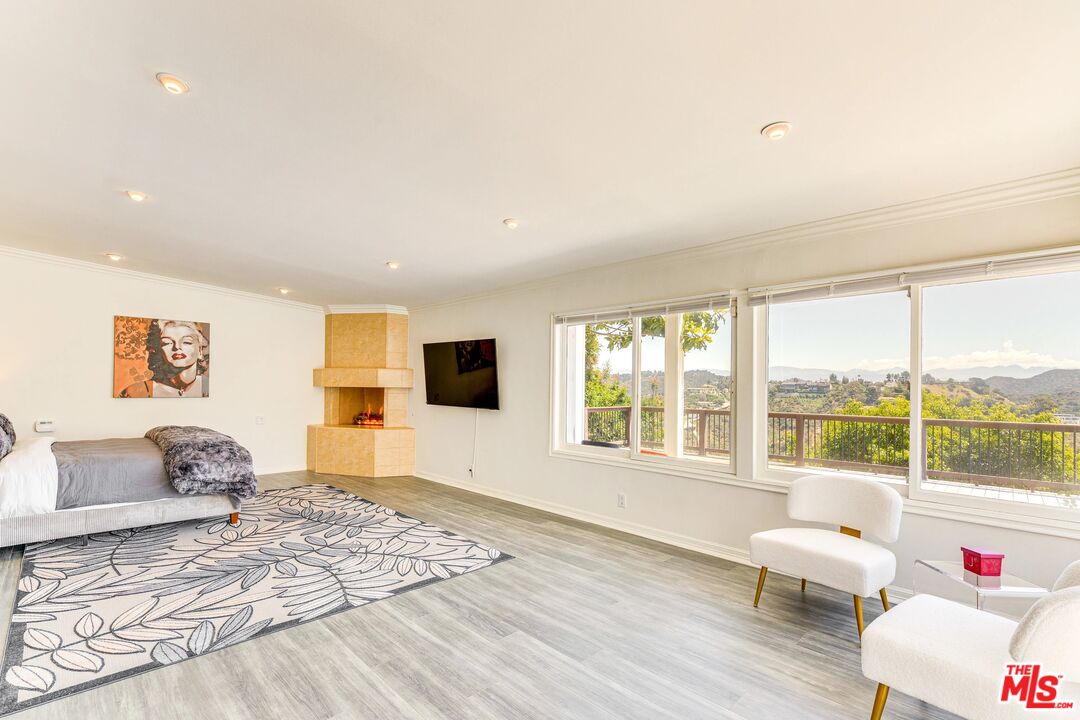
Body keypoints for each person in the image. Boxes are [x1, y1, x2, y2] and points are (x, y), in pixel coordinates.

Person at [120, 320, 209, 398]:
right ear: (158, 349)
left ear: (200, 350)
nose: (177, 347)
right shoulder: (137, 391)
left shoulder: (209, 387)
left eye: (187, 342)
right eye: (167, 343)